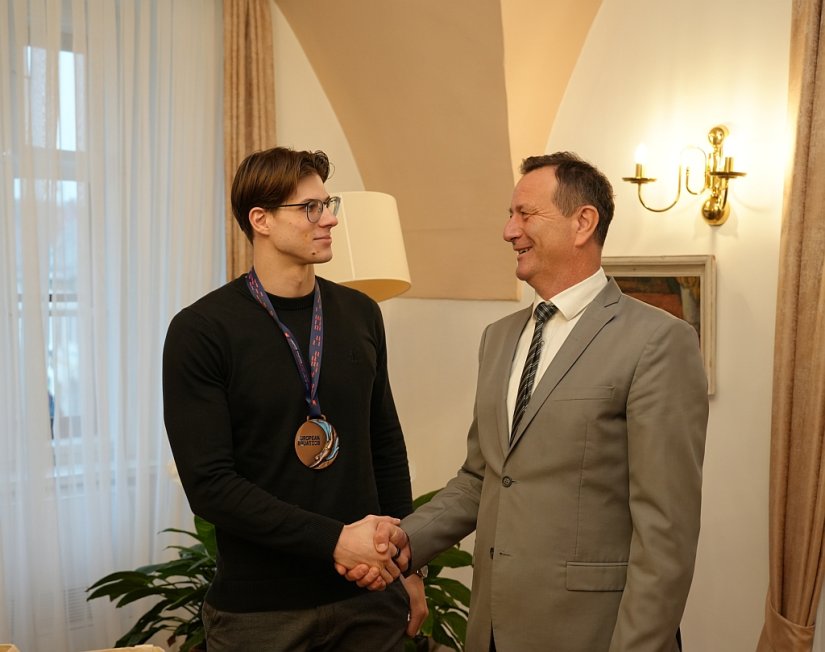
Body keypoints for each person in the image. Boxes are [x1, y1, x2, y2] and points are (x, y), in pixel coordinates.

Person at [349, 151, 709, 651]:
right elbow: (482, 477)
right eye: (509, 215)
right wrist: (405, 542)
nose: (509, 231)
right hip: (492, 629)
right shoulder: (498, 338)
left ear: (583, 222)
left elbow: (665, 531)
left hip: (593, 635)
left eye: (525, 214)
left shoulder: (658, 341)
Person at [163, 146, 426, 652]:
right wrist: (335, 540)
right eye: (310, 208)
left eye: (328, 205)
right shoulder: (201, 330)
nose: (329, 219)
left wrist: (409, 566)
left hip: (369, 602)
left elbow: (385, 445)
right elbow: (211, 485)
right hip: (261, 615)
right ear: (260, 219)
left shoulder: (360, 313)